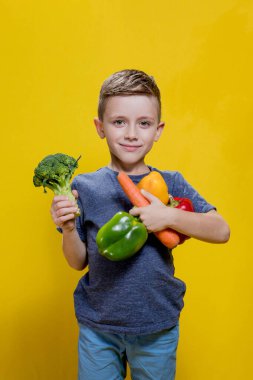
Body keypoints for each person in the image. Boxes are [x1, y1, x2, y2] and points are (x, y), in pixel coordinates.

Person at [50, 69, 230, 380]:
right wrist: (68, 227)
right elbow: (77, 261)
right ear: (100, 127)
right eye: (119, 122)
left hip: (156, 324)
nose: (131, 133)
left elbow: (221, 230)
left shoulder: (171, 182)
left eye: (143, 123)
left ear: (158, 130)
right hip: (99, 326)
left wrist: (169, 216)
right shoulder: (85, 186)